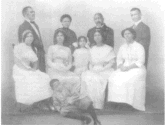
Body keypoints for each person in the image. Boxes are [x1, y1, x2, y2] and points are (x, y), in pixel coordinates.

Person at [108, 28, 146, 111]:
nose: (127, 35)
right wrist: (121, 66)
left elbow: (141, 61)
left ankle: (130, 103)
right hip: (124, 67)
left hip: (136, 68)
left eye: (129, 33)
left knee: (129, 79)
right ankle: (118, 101)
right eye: (125, 34)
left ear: (133, 35)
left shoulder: (139, 46)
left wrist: (128, 68)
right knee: (113, 78)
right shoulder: (122, 47)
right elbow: (119, 59)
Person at [13, 30, 52, 111]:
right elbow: (17, 61)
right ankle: (29, 102)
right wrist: (26, 69)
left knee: (45, 77)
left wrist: (34, 69)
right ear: (24, 38)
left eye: (31, 36)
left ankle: (40, 101)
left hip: (28, 68)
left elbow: (35, 61)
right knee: (31, 78)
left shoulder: (32, 48)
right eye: (28, 36)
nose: (30, 38)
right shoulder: (19, 46)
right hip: (19, 69)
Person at [81, 30, 115, 109]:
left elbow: (112, 62)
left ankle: (97, 105)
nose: (97, 37)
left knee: (97, 80)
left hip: (105, 70)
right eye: (95, 35)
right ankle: (88, 103)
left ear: (103, 37)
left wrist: (101, 69)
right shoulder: (92, 48)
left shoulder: (108, 48)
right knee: (87, 77)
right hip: (94, 69)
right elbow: (90, 62)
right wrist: (92, 69)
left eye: (99, 35)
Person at [18, 6, 46, 72]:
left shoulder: (35, 25)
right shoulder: (23, 26)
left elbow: (39, 39)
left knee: (42, 74)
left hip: (40, 54)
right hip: (32, 55)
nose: (33, 13)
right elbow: (22, 43)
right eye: (31, 12)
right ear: (25, 14)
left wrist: (42, 51)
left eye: (33, 12)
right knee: (33, 75)